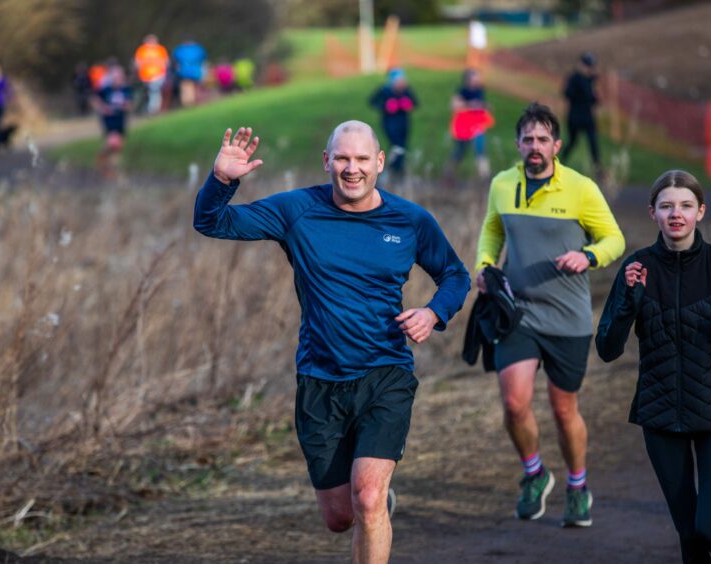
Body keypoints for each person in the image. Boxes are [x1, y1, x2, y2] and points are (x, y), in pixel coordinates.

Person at [193, 121, 470, 563]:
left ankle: (374, 502)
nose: (352, 169)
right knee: (340, 517)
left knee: (366, 497)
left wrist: (433, 311)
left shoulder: (411, 220)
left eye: (362, 159)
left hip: (386, 373)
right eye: (342, 158)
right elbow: (212, 222)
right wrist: (222, 180)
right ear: (327, 161)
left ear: (379, 162)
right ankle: (373, 507)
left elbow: (455, 275)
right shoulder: (297, 210)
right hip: (320, 381)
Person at [595, 170, 711, 564]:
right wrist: (629, 302)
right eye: (667, 206)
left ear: (701, 212)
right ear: (653, 213)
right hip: (660, 416)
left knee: (709, 528)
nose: (677, 213)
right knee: (689, 535)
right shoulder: (636, 268)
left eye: (686, 206)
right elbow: (607, 348)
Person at [475, 102, 624, 526]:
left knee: (563, 410)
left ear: (556, 145)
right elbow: (492, 229)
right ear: (518, 144)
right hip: (518, 313)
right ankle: (535, 473)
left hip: (568, 316)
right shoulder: (503, 184)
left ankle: (578, 485)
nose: (535, 146)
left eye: (543, 139)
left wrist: (589, 256)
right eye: (528, 139)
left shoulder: (581, 188)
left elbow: (614, 238)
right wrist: (484, 265)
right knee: (513, 402)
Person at [369, 68, 417, 179]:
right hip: (389, 122)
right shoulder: (385, 90)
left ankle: (397, 172)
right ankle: (392, 172)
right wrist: (385, 106)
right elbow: (372, 102)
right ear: (393, 81)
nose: (401, 83)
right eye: (399, 81)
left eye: (403, 81)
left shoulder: (406, 91)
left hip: (404, 123)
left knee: (403, 147)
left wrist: (408, 103)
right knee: (396, 146)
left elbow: (415, 103)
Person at [448, 68, 493, 180]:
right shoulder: (462, 91)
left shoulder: (480, 90)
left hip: (477, 126)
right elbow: (454, 106)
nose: (478, 79)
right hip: (464, 126)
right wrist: (470, 105)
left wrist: (485, 106)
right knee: (460, 151)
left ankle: (485, 176)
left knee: (480, 149)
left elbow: (481, 104)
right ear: (468, 79)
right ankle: (449, 174)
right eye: (475, 77)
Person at [560, 52, 600, 172]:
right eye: (586, 65)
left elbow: (594, 99)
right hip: (575, 116)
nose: (588, 68)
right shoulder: (574, 78)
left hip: (588, 117)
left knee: (593, 142)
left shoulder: (591, 80)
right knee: (572, 142)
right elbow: (567, 94)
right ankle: (560, 162)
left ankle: (598, 167)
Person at [91, 63, 133, 177]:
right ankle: (110, 166)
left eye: (119, 77)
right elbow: (95, 100)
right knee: (113, 143)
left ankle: (111, 167)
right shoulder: (105, 90)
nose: (117, 79)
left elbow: (130, 104)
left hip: (120, 119)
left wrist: (125, 107)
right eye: (115, 77)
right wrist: (103, 108)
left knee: (118, 146)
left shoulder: (126, 90)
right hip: (109, 119)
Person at [133, 34, 169, 114]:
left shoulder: (160, 49)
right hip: (145, 76)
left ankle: (153, 109)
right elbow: (137, 63)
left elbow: (165, 62)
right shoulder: (142, 50)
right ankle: (145, 109)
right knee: (147, 93)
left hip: (158, 75)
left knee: (154, 92)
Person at [172, 39, 206, 107]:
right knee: (197, 87)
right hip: (196, 71)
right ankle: (198, 103)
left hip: (184, 72)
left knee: (186, 88)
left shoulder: (180, 49)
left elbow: (174, 60)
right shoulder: (197, 48)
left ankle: (188, 104)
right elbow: (203, 59)